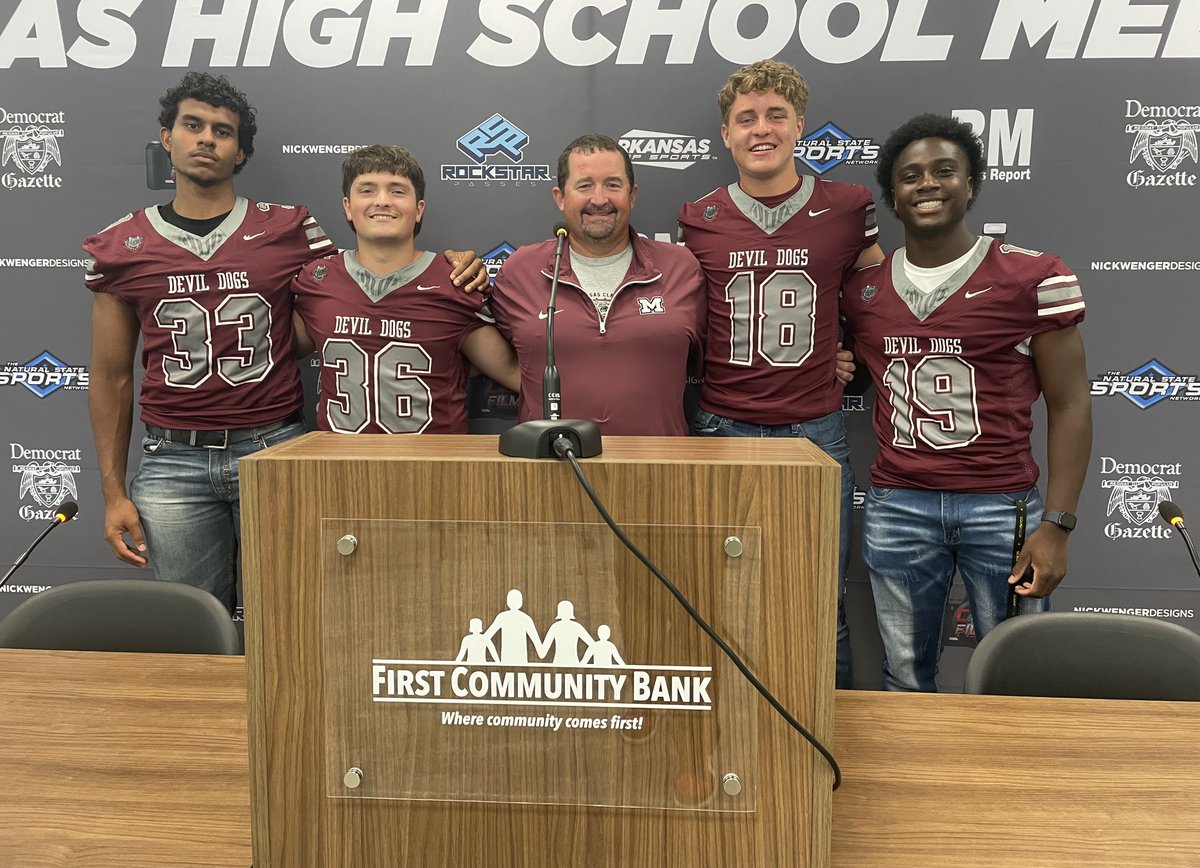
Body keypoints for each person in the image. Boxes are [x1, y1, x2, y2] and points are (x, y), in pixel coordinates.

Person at [83, 74, 483, 611]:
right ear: (166, 137)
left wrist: (451, 268)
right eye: (192, 126)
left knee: (292, 615)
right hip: (173, 459)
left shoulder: (289, 229)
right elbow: (109, 374)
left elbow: (356, 292)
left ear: (241, 150)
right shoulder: (120, 244)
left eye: (222, 132)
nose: (206, 140)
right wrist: (112, 493)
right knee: (191, 624)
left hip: (275, 444)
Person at [841, 113, 1090, 692]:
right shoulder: (863, 293)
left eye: (943, 170)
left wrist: (1057, 523)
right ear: (893, 199)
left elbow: (1072, 403)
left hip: (1001, 506)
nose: (927, 183)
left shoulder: (1029, 279)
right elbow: (848, 368)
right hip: (899, 502)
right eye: (910, 176)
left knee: (1017, 676)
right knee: (905, 673)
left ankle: (1011, 785)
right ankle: (915, 782)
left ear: (971, 183)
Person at [678, 60, 884, 688]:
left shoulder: (848, 207)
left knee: (820, 601)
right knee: (722, 598)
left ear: (799, 125)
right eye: (746, 119)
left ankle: (831, 736)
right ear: (725, 134)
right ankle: (732, 733)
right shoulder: (700, 217)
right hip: (721, 428)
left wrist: (854, 355)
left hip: (812, 431)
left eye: (774, 116)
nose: (760, 129)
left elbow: (879, 294)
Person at [489, 133, 706, 435]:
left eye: (613, 185)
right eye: (585, 185)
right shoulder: (520, 271)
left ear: (632, 195)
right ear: (560, 197)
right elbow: (467, 333)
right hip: (549, 468)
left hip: (660, 470)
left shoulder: (682, 268)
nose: (600, 199)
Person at [292, 145, 518, 433]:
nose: (383, 201)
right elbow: (271, 354)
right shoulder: (317, 280)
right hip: (341, 470)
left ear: (418, 209)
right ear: (348, 207)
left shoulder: (454, 282)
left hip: (432, 469)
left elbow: (514, 372)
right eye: (367, 190)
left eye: (398, 191)